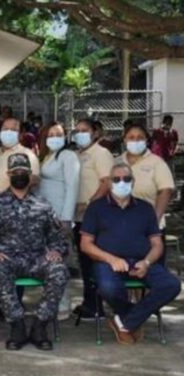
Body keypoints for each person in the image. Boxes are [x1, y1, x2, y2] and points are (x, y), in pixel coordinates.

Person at [80, 163, 181, 344]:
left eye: (126, 179)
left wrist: (147, 263)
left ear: (133, 182)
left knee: (171, 285)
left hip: (141, 261)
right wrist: (112, 259)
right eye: (116, 179)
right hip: (107, 262)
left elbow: (157, 244)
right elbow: (86, 245)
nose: (122, 183)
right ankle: (132, 316)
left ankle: (126, 321)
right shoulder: (96, 208)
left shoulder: (145, 208)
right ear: (109, 182)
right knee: (109, 288)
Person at [0, 154, 69, 351]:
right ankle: (17, 327)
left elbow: (58, 236)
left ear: (30, 176)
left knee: (59, 271)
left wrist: (56, 250)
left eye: (23, 172)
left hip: (37, 258)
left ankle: (40, 326)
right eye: (15, 172)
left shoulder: (43, 205)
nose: (19, 175)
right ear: (8, 174)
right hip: (7, 258)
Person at [36, 122, 81, 320]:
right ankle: (51, 300)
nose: (55, 137)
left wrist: (66, 219)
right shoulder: (46, 156)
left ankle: (63, 304)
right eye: (51, 134)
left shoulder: (68, 156)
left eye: (59, 134)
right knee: (48, 260)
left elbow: (73, 187)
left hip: (60, 215)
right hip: (44, 215)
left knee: (61, 260)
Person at [73, 118, 114, 320]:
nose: (80, 134)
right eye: (77, 130)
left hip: (95, 216)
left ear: (95, 133)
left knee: (94, 260)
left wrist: (90, 204)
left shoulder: (101, 153)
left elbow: (107, 182)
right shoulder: (77, 155)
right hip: (79, 217)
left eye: (85, 130)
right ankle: (89, 302)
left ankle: (97, 306)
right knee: (85, 263)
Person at [119, 124, 175, 228]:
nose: (135, 141)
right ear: (124, 140)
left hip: (148, 225)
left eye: (140, 138)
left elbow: (166, 191)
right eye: (131, 137)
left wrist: (153, 221)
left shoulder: (157, 162)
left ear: (146, 140)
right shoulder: (116, 163)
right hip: (121, 225)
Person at [0, 117, 40, 198]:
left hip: (14, 206)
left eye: (13, 130)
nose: (8, 132)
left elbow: (34, 180)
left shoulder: (27, 155)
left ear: (21, 135)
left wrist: (4, 194)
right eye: (5, 129)